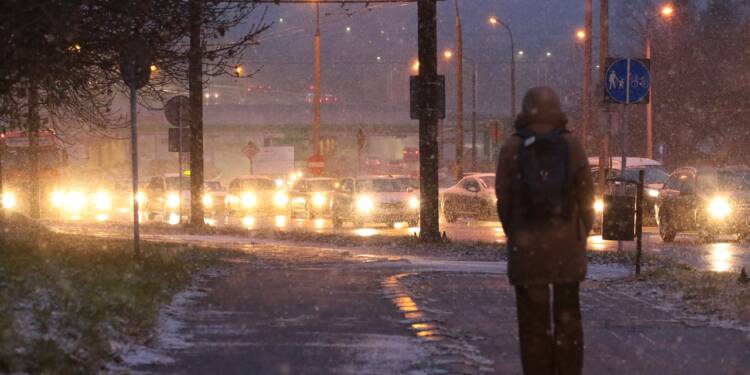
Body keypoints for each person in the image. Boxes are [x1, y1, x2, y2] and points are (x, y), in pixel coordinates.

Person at [495, 86, 595, 375]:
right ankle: (566, 369)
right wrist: (577, 233)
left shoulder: (512, 147)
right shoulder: (572, 145)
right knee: (568, 319)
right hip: (566, 248)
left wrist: (516, 234)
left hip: (527, 248)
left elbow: (504, 200)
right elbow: (587, 197)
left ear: (525, 111)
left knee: (532, 323)